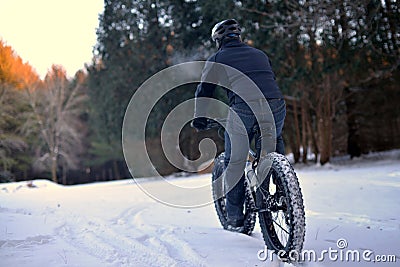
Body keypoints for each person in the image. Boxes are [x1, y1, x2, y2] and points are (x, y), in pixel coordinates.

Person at [192, 19, 286, 232]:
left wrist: (200, 118)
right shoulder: (260, 54)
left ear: (218, 40)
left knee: (234, 161)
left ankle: (235, 220)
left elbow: (204, 91)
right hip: (276, 105)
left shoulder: (217, 59)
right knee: (274, 140)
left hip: (244, 108)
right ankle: (282, 189)